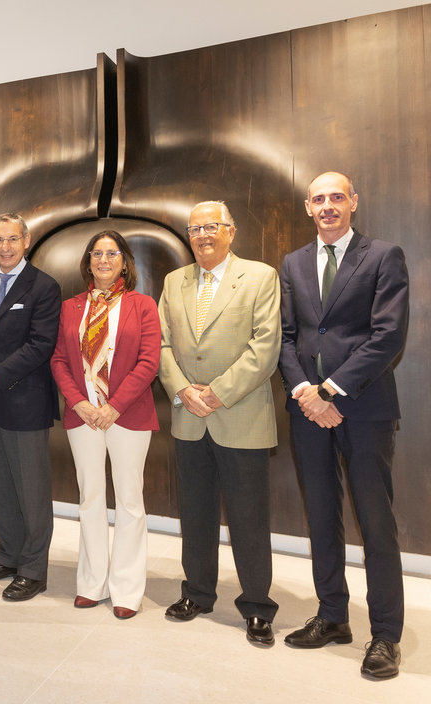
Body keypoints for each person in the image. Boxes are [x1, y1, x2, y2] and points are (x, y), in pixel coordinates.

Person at [278, 172, 409, 679]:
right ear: (307, 207)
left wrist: (329, 389)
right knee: (322, 516)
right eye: (319, 199)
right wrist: (305, 395)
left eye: (337, 197)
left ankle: (385, 634)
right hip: (307, 410)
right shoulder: (291, 263)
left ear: (354, 201)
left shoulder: (382, 256)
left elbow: (387, 335)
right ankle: (332, 616)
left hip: (364, 406)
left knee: (376, 523)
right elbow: (286, 339)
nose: (328, 206)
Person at [157, 200, 280, 646]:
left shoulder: (261, 276)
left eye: (212, 226)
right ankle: (198, 593)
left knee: (248, 517)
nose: (203, 235)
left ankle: (257, 607)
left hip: (239, 415)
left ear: (231, 231)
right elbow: (162, 345)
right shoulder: (175, 281)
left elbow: (265, 348)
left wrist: (217, 393)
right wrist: (183, 390)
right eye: (195, 229)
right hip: (188, 416)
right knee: (195, 514)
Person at [51, 230, 160, 619]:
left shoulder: (142, 305)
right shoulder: (70, 308)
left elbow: (149, 362)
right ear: (88, 261)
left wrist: (113, 406)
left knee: (130, 500)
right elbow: (59, 361)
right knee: (90, 497)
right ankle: (91, 582)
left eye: (111, 254)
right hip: (83, 416)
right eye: (96, 253)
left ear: (124, 262)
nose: (103, 260)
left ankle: (127, 589)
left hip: (126, 415)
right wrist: (79, 402)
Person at [0, 213, 60, 601]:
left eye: (12, 239)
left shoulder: (44, 286)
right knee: (0, 484)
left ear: (26, 240)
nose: (5, 247)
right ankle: (8, 555)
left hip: (24, 399)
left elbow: (40, 346)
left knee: (32, 490)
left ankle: (34, 570)